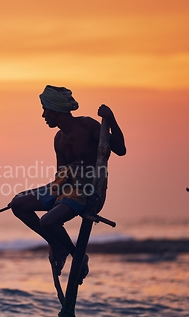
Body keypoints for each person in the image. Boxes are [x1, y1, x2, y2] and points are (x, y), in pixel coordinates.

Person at [10, 85, 126, 284]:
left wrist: (111, 118)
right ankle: (57, 244)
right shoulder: (59, 138)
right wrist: (53, 190)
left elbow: (120, 149)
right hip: (64, 187)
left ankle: (76, 255)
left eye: (45, 109)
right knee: (17, 204)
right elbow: (60, 173)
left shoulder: (88, 126)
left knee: (48, 221)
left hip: (88, 191)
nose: (43, 115)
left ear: (56, 110)